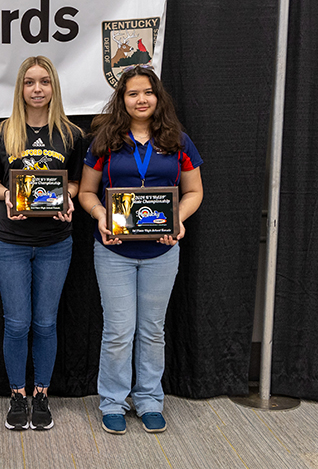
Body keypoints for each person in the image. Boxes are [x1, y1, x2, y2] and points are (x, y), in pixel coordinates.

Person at [78, 64, 203, 435]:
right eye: (132, 93)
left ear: (157, 96)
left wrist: (178, 219)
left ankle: (149, 399)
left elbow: (195, 191)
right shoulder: (105, 140)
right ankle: (113, 401)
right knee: (118, 330)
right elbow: (86, 192)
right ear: (123, 99)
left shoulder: (178, 140)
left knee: (151, 330)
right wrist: (100, 214)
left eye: (147, 92)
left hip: (162, 251)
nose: (141, 99)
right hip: (113, 250)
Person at [0, 56, 85, 431]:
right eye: (29, 82)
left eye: (44, 82)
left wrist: (69, 198)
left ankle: (41, 395)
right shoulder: (2, 132)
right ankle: (16, 395)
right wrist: (8, 195)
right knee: (17, 323)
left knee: (44, 323)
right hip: (9, 240)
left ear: (54, 87)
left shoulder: (72, 134)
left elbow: (74, 182)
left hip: (55, 241)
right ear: (20, 88)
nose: (37, 89)